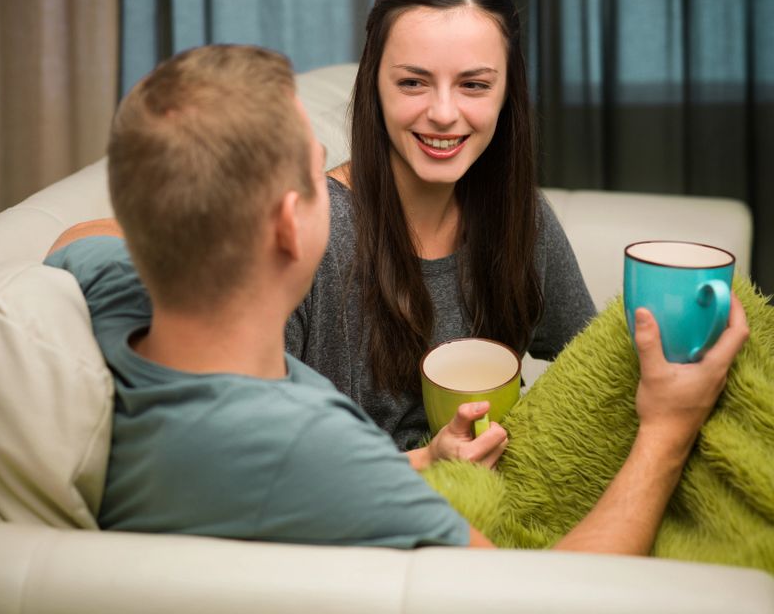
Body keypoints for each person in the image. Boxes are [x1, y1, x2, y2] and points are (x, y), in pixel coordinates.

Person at [46, 44, 748, 553]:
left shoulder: (115, 300)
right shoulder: (310, 447)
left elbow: (74, 236)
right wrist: (668, 427)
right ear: (292, 224)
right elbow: (552, 598)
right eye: (318, 173)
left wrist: (425, 459)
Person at [286, 0, 596, 457]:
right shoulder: (310, 229)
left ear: (505, 95)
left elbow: (593, 362)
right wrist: (428, 463)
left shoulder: (522, 216)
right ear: (375, 87)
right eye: (413, 82)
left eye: (474, 85)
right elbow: (263, 457)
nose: (444, 114)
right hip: (354, 521)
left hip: (500, 507)